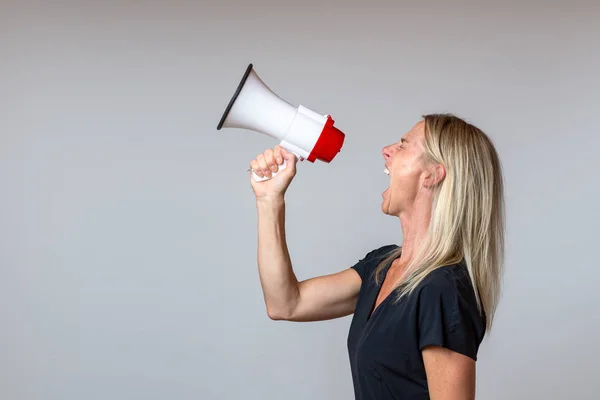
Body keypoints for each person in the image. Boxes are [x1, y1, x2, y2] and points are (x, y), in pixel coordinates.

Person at [248, 113, 505, 400]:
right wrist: (269, 200)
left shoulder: (442, 289)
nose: (387, 149)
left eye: (404, 144)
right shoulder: (382, 267)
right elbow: (285, 304)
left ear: (433, 174)